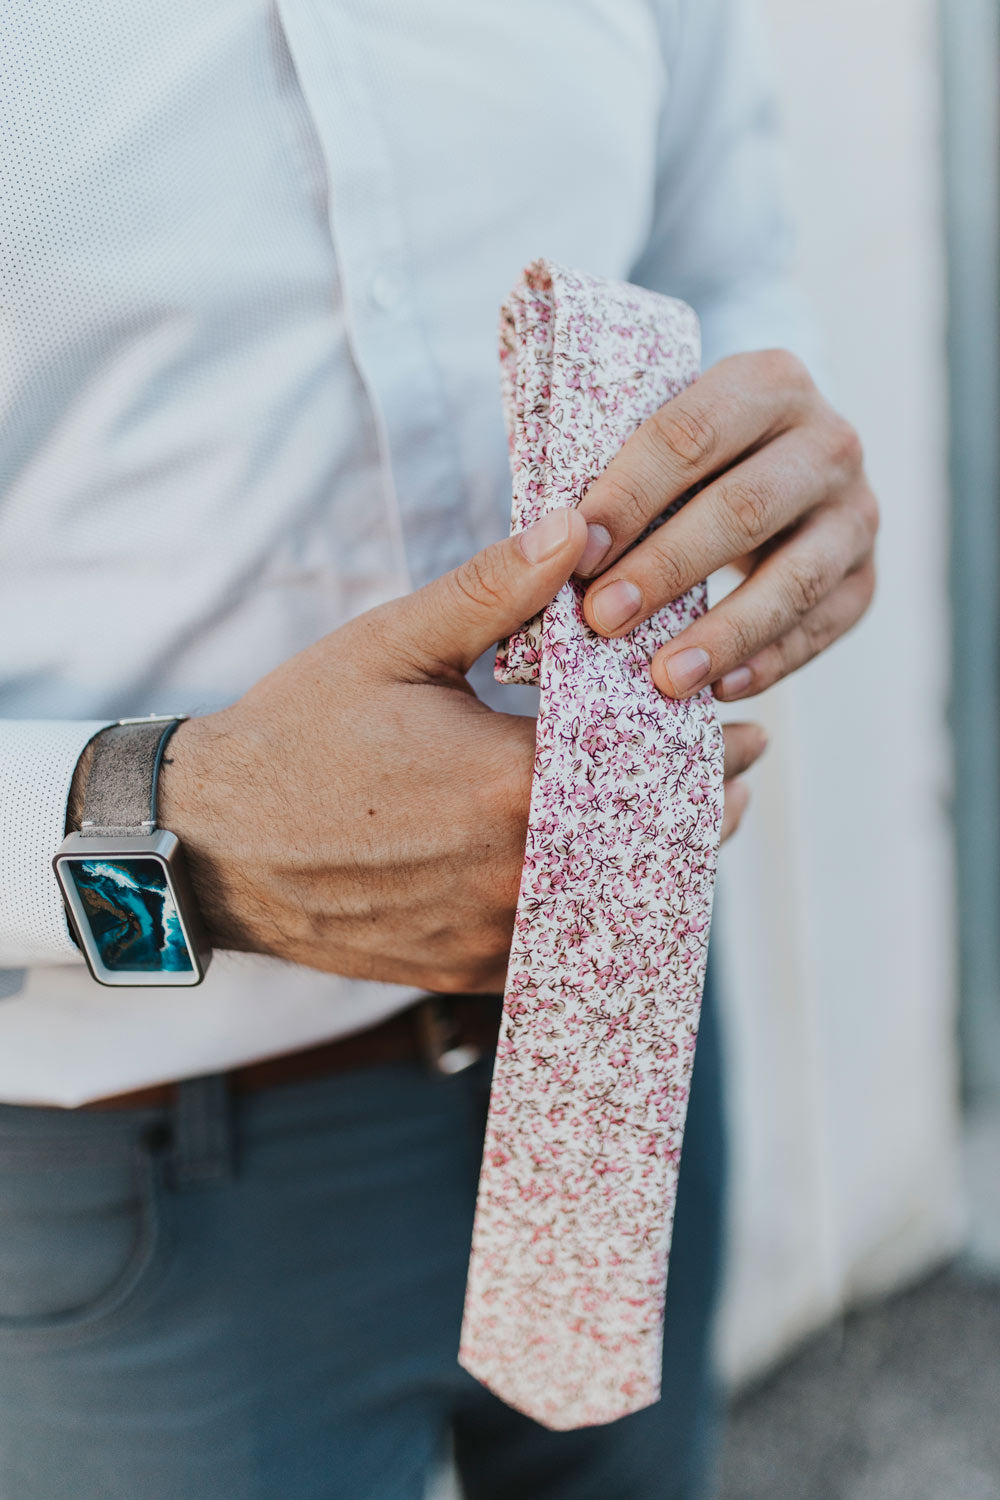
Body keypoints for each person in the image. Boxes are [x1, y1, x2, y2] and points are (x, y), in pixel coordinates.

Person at [0, 0, 878, 1495]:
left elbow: (712, 255)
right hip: (136, 1194)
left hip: (629, 1042)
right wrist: (179, 838)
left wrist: (774, 489)